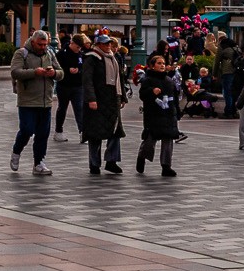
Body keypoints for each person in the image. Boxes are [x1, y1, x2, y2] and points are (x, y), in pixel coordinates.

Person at [9, 30, 57, 174]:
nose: (43, 47)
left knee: (43, 134)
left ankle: (39, 163)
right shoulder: (21, 53)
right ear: (33, 41)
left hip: (45, 101)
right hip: (27, 101)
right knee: (27, 130)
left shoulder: (50, 53)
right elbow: (15, 72)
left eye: (45, 44)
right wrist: (34, 72)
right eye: (40, 44)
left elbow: (61, 72)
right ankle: (16, 151)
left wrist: (54, 73)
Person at [80, 33, 126, 174]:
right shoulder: (91, 58)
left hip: (112, 99)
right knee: (95, 133)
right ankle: (94, 164)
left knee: (115, 132)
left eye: (109, 43)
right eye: (105, 43)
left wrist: (123, 97)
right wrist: (91, 99)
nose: (108, 46)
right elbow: (87, 80)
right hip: (98, 100)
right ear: (98, 44)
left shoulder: (113, 58)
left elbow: (119, 79)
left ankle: (112, 161)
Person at [135, 51, 181, 177]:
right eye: (159, 63)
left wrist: (177, 111)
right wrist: (151, 91)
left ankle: (166, 166)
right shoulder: (147, 80)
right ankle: (142, 157)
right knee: (150, 140)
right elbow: (142, 95)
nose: (162, 65)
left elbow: (175, 98)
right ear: (152, 65)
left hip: (168, 114)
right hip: (154, 114)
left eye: (163, 63)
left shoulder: (169, 80)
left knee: (168, 139)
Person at [53, 34, 83, 141]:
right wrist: (67, 70)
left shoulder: (80, 55)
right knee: (62, 108)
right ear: (72, 43)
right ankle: (58, 131)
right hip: (64, 85)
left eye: (80, 48)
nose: (78, 49)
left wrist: (79, 70)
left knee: (79, 109)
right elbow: (57, 67)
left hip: (77, 86)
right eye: (77, 47)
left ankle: (82, 131)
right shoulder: (62, 53)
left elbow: (83, 67)